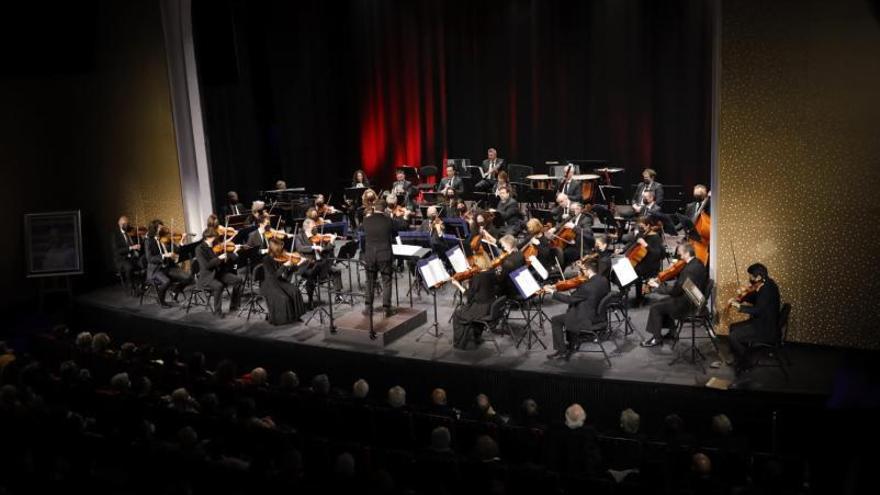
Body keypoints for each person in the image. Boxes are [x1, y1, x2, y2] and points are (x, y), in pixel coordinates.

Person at [641, 243, 707, 347]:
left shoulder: (689, 269)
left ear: (687, 253)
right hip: (695, 298)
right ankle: (672, 333)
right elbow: (683, 286)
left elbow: (677, 291)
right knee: (664, 302)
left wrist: (658, 286)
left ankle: (656, 339)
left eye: (680, 253)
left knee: (655, 308)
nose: (679, 255)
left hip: (688, 304)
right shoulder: (698, 263)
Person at [546, 261, 610, 360]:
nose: (581, 272)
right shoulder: (603, 280)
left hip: (586, 320)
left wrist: (552, 292)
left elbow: (569, 299)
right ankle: (572, 343)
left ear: (588, 271)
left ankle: (562, 351)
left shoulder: (587, 286)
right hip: (598, 315)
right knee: (570, 311)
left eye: (583, 270)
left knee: (556, 320)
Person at [727, 263, 781, 372]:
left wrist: (739, 306)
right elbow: (756, 298)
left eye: (751, 276)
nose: (750, 278)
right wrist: (741, 299)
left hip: (765, 328)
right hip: (762, 322)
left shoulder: (767, 290)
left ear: (759, 277)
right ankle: (739, 358)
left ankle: (746, 362)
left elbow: (758, 310)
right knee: (733, 327)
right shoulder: (767, 284)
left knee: (733, 336)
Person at [195, 228, 243, 318]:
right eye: (214, 237)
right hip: (208, 276)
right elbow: (206, 266)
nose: (216, 239)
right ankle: (217, 312)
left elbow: (223, 261)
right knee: (218, 286)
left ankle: (234, 305)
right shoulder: (199, 249)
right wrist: (219, 258)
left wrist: (232, 253)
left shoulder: (215, 246)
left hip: (219, 273)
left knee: (238, 280)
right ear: (208, 237)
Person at [144, 219, 193, 307]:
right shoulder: (149, 241)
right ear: (154, 229)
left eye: (162, 227)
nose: (162, 230)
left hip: (168, 267)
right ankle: (161, 300)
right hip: (156, 270)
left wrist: (182, 241)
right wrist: (164, 255)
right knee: (166, 281)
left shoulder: (165, 238)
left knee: (188, 277)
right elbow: (149, 258)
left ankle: (175, 291)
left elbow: (176, 250)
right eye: (159, 228)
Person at [361, 199, 397, 318]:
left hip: (370, 255)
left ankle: (368, 308)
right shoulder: (388, 221)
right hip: (384, 255)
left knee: (369, 281)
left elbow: (361, 232)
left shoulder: (366, 221)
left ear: (374, 208)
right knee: (386, 281)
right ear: (385, 209)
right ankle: (386, 309)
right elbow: (395, 234)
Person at [260, 237, 306, 325]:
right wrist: (284, 266)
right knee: (284, 298)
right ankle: (283, 319)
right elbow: (274, 275)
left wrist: (297, 264)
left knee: (295, 291)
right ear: (274, 248)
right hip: (269, 283)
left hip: (279, 281)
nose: (282, 250)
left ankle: (296, 316)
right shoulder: (266, 259)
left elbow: (288, 272)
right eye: (280, 248)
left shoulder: (280, 256)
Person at [452, 266, 498, 349]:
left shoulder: (478, 277)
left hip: (481, 309)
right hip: (490, 306)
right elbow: (480, 291)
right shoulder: (491, 272)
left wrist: (457, 285)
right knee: (466, 309)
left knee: (457, 314)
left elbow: (469, 296)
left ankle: (459, 343)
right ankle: (476, 337)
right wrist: (470, 284)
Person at [111, 215, 142, 292]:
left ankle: (142, 284)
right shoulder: (115, 235)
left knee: (143, 262)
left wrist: (139, 244)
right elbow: (117, 251)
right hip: (121, 259)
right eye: (123, 224)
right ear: (119, 224)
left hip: (131, 257)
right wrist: (131, 248)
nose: (125, 225)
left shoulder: (130, 233)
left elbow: (137, 243)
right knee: (129, 267)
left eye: (127, 224)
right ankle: (131, 286)